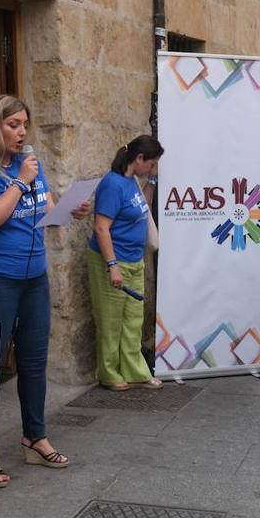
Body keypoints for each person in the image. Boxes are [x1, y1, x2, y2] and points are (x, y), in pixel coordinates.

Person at [0, 95, 88, 486]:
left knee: (34, 359)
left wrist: (69, 207)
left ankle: (35, 436)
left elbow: (44, 208)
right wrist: (20, 181)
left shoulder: (28, 163)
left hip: (34, 276)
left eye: (24, 125)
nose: (21, 132)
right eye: (12, 124)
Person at [89, 135, 166, 390]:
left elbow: (142, 206)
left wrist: (152, 181)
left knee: (133, 319)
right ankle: (109, 373)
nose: (153, 169)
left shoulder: (132, 181)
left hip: (134, 259)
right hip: (113, 260)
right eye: (152, 164)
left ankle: (134, 370)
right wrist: (113, 266)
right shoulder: (112, 184)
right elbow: (101, 227)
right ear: (139, 158)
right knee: (111, 320)